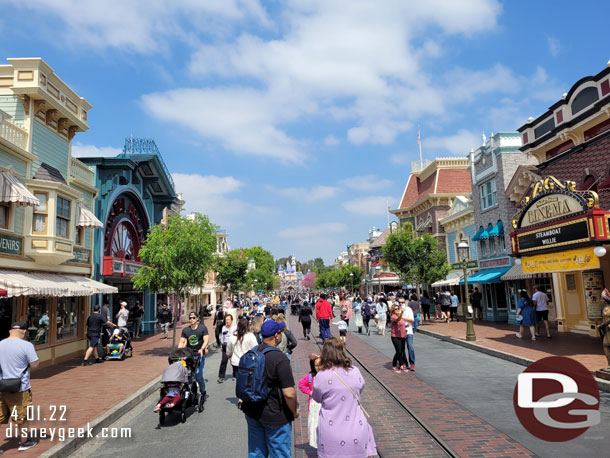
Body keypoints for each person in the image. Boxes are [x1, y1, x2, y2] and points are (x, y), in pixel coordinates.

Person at [241, 320, 298, 458]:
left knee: (256, 453)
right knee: (279, 454)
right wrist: (294, 411)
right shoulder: (280, 358)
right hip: (275, 415)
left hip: (252, 412)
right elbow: (289, 393)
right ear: (276, 336)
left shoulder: (251, 353)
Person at [312, 337, 377, 458]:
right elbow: (360, 388)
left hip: (331, 432)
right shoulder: (355, 371)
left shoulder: (322, 376)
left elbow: (316, 398)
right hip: (356, 429)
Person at [0, 322, 40, 453]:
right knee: (22, 417)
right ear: (24, 332)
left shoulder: (0, 344)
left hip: (1, 386)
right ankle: (24, 442)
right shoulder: (26, 345)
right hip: (20, 387)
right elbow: (34, 365)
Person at [178, 312, 209, 401]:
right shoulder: (185, 330)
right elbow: (182, 342)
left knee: (198, 375)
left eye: (193, 318)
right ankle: (190, 393)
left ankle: (203, 392)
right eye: (190, 318)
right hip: (189, 355)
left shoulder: (202, 328)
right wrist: (179, 351)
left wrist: (202, 348)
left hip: (199, 355)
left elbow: (206, 340)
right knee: (188, 375)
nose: (191, 319)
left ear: (197, 319)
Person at [298, 355, 322, 449]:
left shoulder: (328, 376)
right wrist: (310, 392)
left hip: (325, 405)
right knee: (316, 425)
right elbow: (301, 384)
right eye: (316, 365)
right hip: (315, 405)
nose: (319, 367)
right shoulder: (311, 377)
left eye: (321, 365)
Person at [218, 314, 236, 383]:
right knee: (223, 361)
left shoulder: (235, 327)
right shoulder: (223, 328)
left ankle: (235, 374)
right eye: (226, 320)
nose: (227, 321)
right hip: (225, 346)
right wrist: (221, 345)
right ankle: (221, 376)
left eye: (228, 320)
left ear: (231, 320)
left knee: (233, 361)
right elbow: (222, 337)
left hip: (233, 346)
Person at [391, 303, 407, 372]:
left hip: (402, 336)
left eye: (398, 309)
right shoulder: (393, 316)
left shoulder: (399, 316)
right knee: (398, 351)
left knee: (402, 351)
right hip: (395, 336)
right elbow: (398, 319)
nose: (397, 310)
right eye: (396, 309)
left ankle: (401, 365)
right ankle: (394, 365)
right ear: (393, 310)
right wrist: (402, 313)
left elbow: (400, 324)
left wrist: (405, 326)